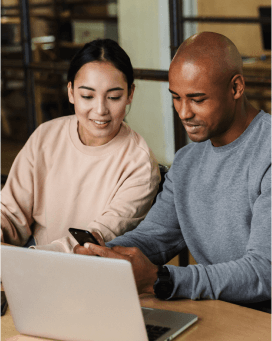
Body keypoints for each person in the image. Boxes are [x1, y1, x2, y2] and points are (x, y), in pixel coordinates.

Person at [75, 32, 272, 311]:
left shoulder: (267, 152)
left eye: (197, 99)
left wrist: (162, 279)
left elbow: (264, 272)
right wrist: (105, 253)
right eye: (176, 98)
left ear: (236, 87)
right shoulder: (187, 161)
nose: (183, 112)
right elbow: (155, 236)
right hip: (220, 310)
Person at [0, 39, 160, 252]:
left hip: (92, 270)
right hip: (34, 253)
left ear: (130, 94)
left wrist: (32, 260)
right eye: (87, 96)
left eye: (113, 97)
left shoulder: (139, 164)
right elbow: (10, 211)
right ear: (71, 92)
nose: (100, 109)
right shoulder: (46, 136)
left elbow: (98, 237)